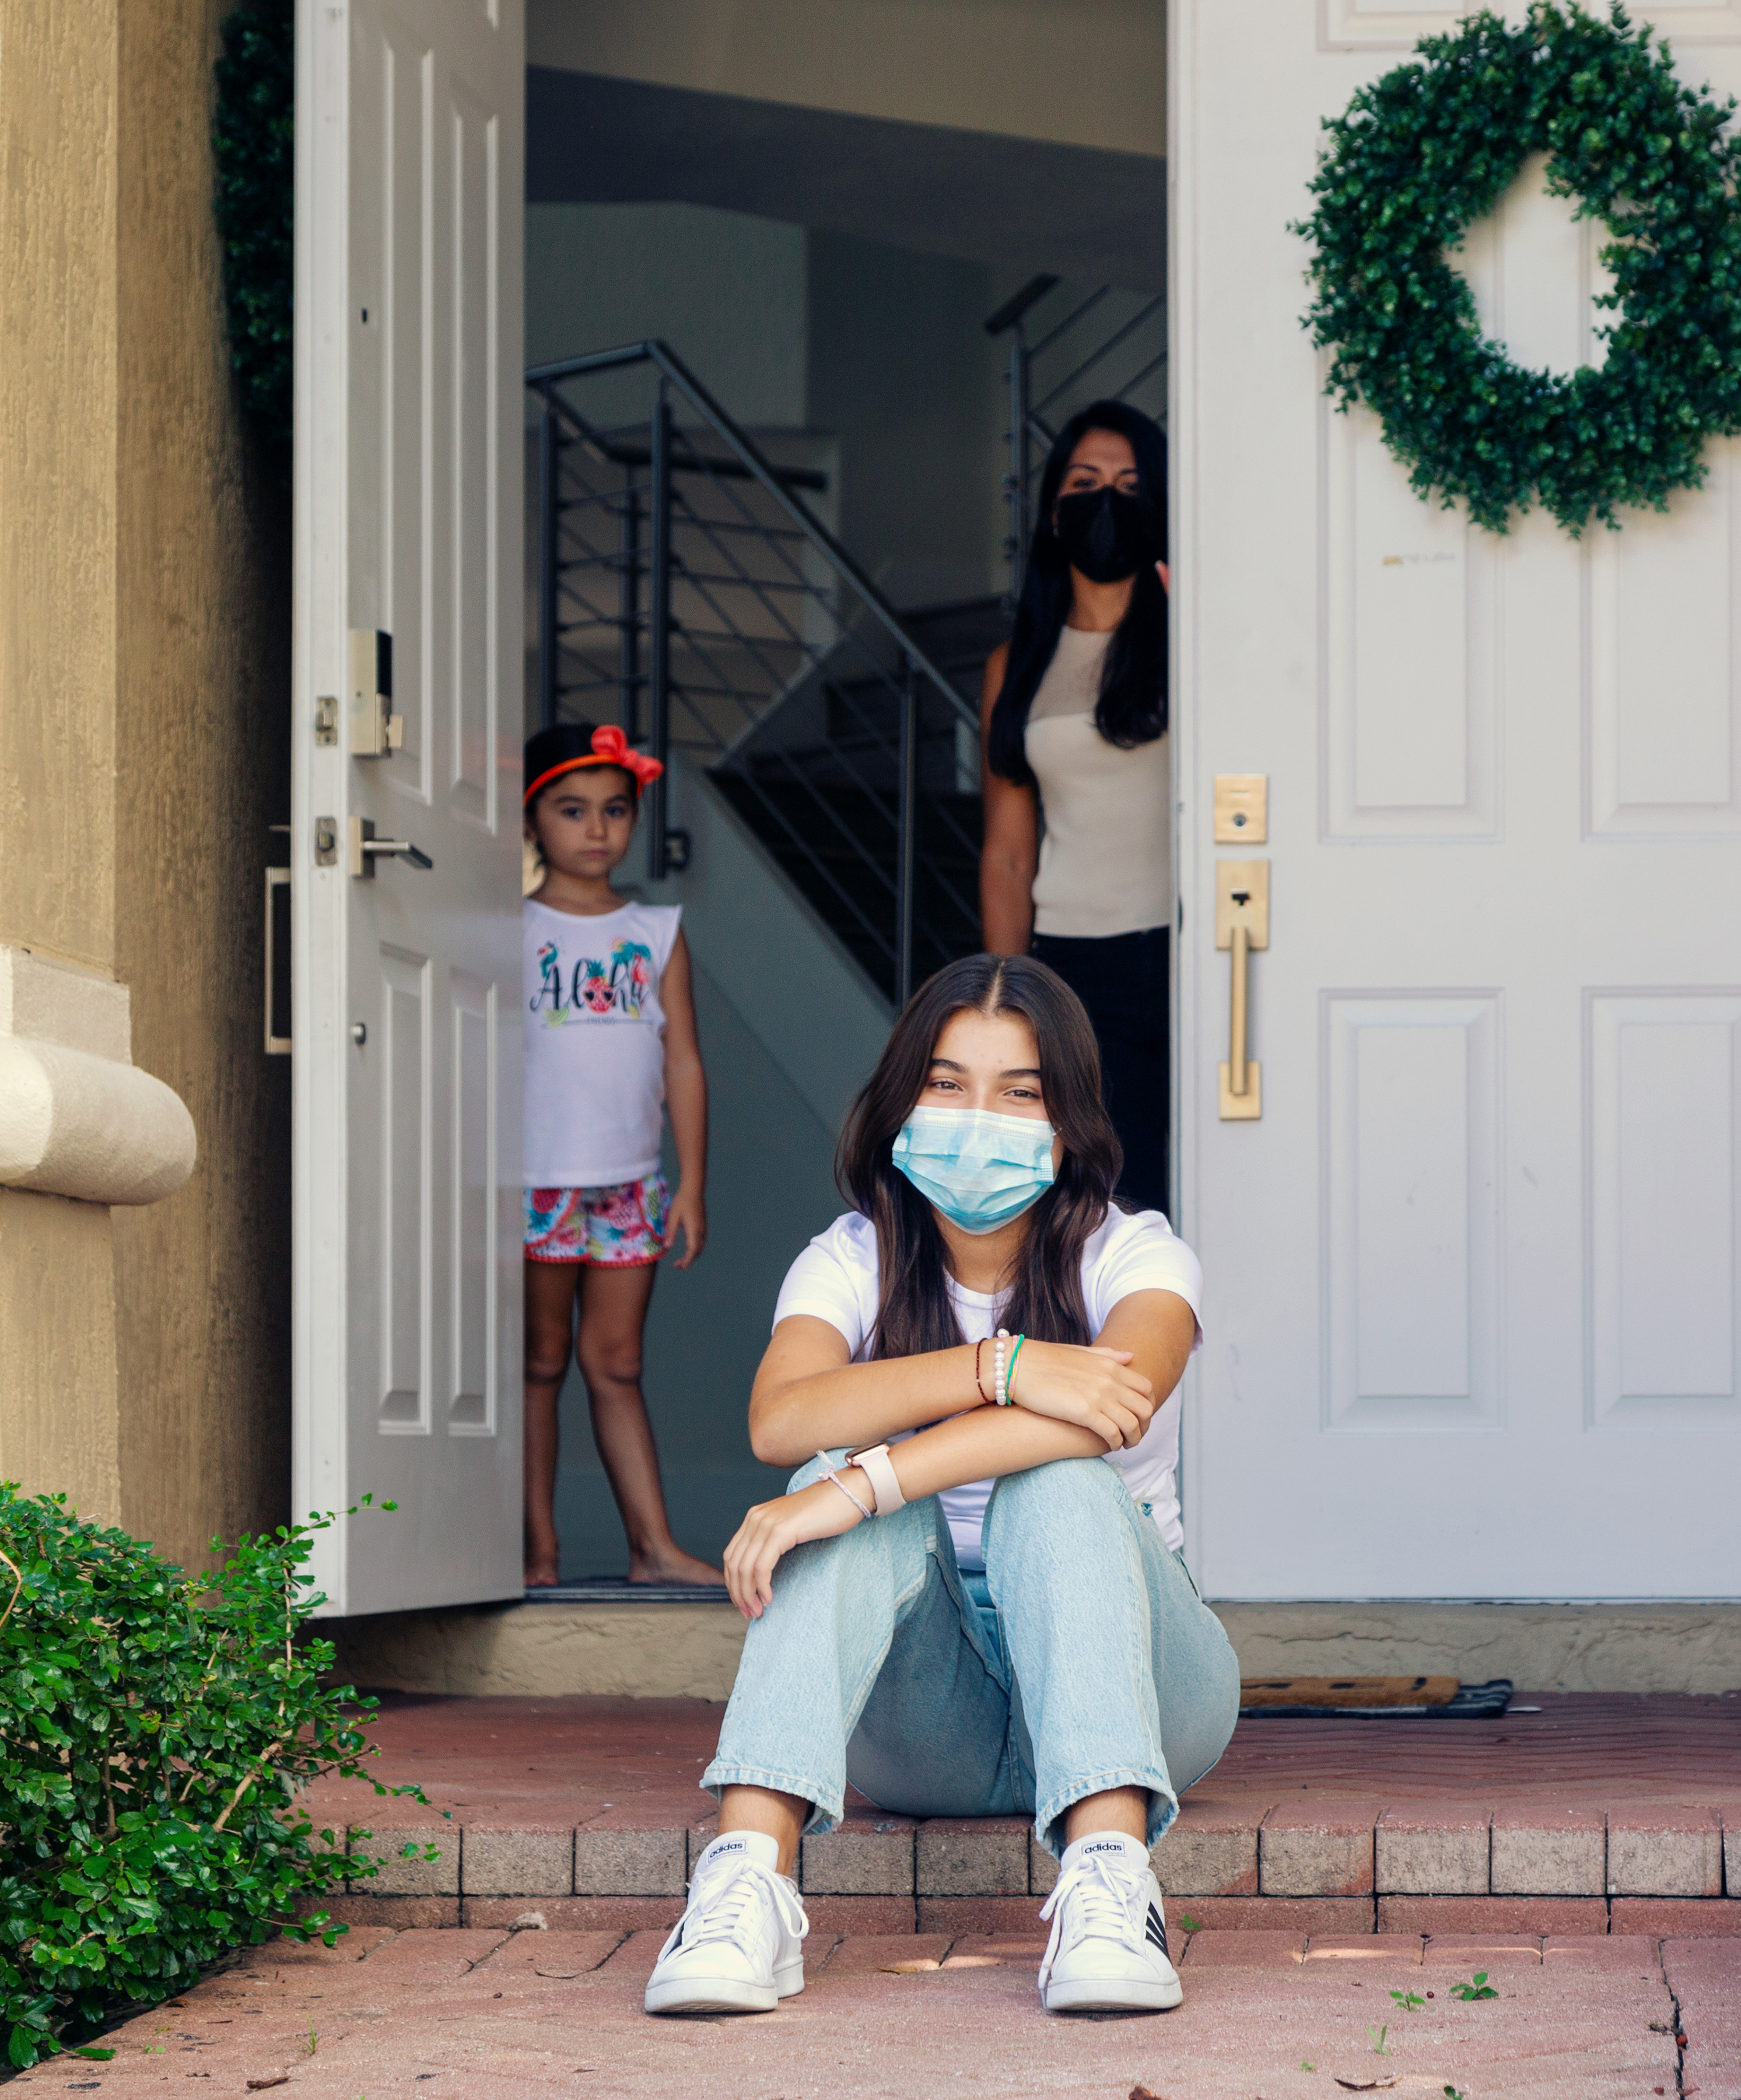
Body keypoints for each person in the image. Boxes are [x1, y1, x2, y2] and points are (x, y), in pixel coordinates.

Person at [643, 954, 1237, 2020]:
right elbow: (782, 1415)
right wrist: (996, 1367)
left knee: (1045, 1480)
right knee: (831, 1473)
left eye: (1021, 1093)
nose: (980, 1118)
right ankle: (745, 1883)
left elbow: (1117, 1406)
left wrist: (861, 1483)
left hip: (1143, 1690)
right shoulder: (850, 1260)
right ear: (898, 1100)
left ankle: (1109, 1886)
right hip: (934, 1723)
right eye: (947, 1083)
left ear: (1070, 1124)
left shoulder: (1136, 1257)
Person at [521, 723, 721, 1589]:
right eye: (572, 810)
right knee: (538, 1361)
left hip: (631, 1184)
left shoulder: (656, 928)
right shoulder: (506, 926)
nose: (596, 830)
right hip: (532, 1180)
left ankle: (653, 1548)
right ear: (532, 820)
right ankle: (537, 1551)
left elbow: (683, 1058)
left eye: (614, 810)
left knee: (618, 1363)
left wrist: (691, 1183)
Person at [978, 400, 1173, 1217]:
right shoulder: (1013, 664)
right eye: (1086, 482)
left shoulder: (1200, 639)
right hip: (1073, 967)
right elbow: (1008, 852)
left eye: (1130, 484)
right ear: (1055, 509)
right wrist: (1003, 996)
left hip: (1197, 952)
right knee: (1103, 1203)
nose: (1106, 501)